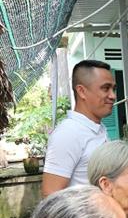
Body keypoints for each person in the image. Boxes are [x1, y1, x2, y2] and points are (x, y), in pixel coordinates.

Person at [42, 59, 115, 197]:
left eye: (113, 89)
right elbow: (50, 195)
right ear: (81, 91)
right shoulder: (68, 134)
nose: (113, 96)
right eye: (106, 88)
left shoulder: (98, 129)